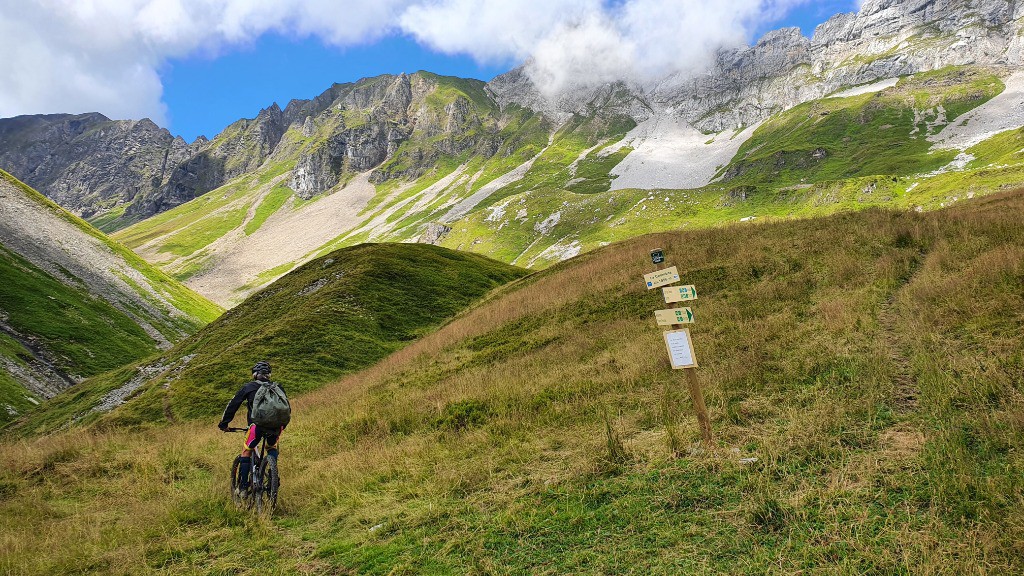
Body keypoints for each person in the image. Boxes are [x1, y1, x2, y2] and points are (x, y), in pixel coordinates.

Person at [218, 361, 284, 491]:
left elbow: (233, 404)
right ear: (268, 375)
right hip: (276, 426)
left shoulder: (249, 387)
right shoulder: (278, 388)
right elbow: (285, 409)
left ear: (255, 375)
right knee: (271, 447)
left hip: (256, 426)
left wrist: (224, 424)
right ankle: (273, 476)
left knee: (246, 451)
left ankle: (242, 488)